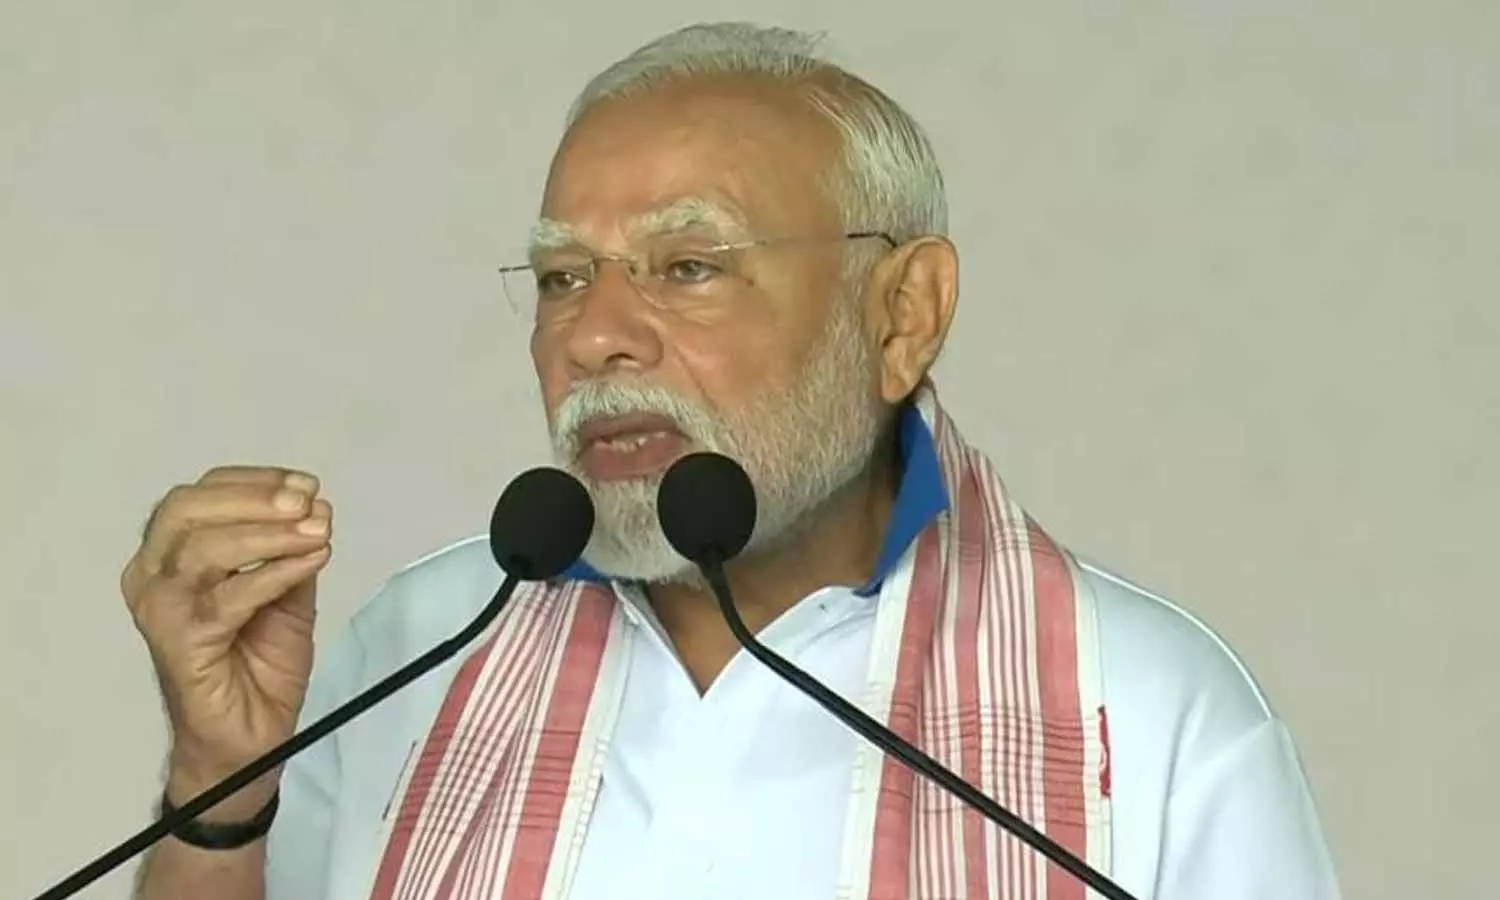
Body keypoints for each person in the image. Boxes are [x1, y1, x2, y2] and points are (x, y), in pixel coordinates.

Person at [124, 21, 1342, 900]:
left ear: (901, 315)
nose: (594, 336)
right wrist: (221, 781)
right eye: (562, 278)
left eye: (688, 267)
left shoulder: (1148, 714)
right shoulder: (414, 650)